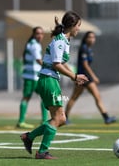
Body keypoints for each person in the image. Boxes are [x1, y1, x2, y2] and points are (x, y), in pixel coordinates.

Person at [20, 11, 88, 159]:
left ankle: (29, 137)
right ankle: (42, 152)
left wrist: (74, 77)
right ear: (71, 26)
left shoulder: (64, 40)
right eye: (78, 26)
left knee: (61, 119)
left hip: (51, 80)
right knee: (58, 118)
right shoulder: (60, 41)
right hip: (48, 79)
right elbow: (56, 64)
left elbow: (62, 63)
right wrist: (74, 76)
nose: (79, 29)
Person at [65, 31, 116, 124]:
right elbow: (85, 65)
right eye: (90, 37)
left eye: (93, 37)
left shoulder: (88, 49)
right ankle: (65, 117)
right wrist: (94, 76)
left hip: (86, 77)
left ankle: (106, 117)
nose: (92, 39)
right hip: (83, 77)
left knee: (96, 96)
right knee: (75, 97)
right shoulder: (84, 48)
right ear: (86, 38)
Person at [16, 26, 48, 129]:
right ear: (34, 35)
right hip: (31, 77)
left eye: (42, 33)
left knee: (43, 96)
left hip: (34, 76)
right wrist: (50, 67)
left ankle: (44, 120)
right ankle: (21, 121)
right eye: (38, 33)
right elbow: (39, 60)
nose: (40, 36)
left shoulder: (33, 44)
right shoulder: (34, 45)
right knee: (27, 97)